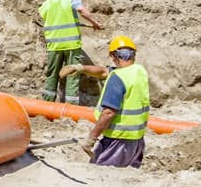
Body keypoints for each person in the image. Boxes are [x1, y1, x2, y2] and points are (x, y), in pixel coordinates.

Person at [60, 35, 149, 168]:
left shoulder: (117, 78)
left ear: (114, 56)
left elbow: (108, 113)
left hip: (118, 142)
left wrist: (91, 138)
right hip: (137, 141)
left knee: (100, 173)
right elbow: (103, 72)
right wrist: (79, 68)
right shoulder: (139, 71)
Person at [38, 0, 103, 104]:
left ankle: (47, 104)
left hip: (54, 46)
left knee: (52, 75)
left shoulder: (45, 5)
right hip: (72, 45)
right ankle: (70, 109)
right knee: (73, 75)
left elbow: (52, 20)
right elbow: (82, 11)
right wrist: (95, 23)